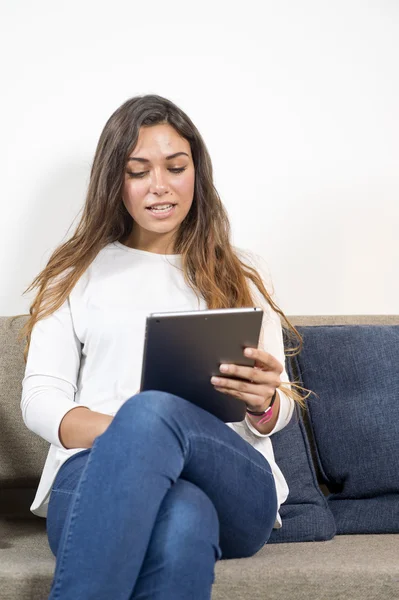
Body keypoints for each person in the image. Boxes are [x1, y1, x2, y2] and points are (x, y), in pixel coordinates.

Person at [17, 94, 309, 600]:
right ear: (116, 181)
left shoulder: (236, 277)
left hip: (232, 479)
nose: (160, 186)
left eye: (176, 167)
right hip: (92, 469)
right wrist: (135, 436)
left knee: (152, 413)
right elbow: (41, 399)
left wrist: (264, 403)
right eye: (138, 171)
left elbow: (276, 411)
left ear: (196, 173)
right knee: (183, 518)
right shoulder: (75, 274)